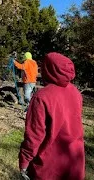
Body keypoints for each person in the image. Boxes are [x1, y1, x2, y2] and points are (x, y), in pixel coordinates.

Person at [19, 52, 85, 180]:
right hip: (75, 162)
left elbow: (34, 134)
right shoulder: (76, 92)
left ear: (48, 69)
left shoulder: (42, 97)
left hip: (49, 167)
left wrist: (24, 161)